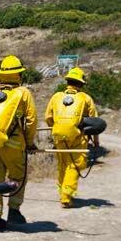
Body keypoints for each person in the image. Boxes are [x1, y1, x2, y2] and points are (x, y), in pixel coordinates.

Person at [0, 55, 37, 232]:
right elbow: (31, 121)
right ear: (19, 75)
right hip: (13, 146)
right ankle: (14, 212)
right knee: (18, 177)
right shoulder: (23, 93)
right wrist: (30, 143)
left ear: (1, 75)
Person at [44, 67, 97, 208]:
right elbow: (95, 122)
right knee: (75, 165)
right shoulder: (86, 98)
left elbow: (48, 117)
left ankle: (62, 191)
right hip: (77, 138)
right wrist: (96, 141)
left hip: (58, 136)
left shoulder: (56, 97)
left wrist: (56, 128)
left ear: (68, 81)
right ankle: (66, 196)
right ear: (80, 84)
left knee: (63, 164)